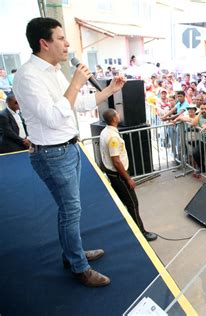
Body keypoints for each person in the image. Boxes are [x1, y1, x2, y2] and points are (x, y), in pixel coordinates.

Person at [13, 17, 126, 287]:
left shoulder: (54, 71)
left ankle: (71, 253)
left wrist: (109, 90)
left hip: (67, 149)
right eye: (61, 38)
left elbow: (77, 103)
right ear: (44, 43)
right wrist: (75, 82)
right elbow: (53, 117)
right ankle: (78, 266)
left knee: (69, 210)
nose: (67, 44)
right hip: (52, 154)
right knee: (71, 210)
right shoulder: (28, 77)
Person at [100, 109, 157, 243]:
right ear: (114, 119)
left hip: (113, 174)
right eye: (117, 114)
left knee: (125, 203)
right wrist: (128, 178)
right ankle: (141, 233)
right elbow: (116, 160)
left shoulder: (105, 131)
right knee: (132, 203)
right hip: (119, 175)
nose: (119, 114)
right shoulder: (113, 137)